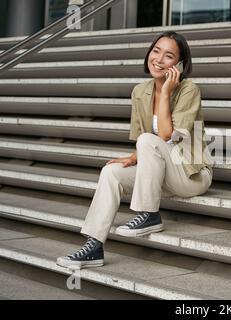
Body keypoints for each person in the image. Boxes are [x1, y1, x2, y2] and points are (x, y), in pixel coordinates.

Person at [56, 31, 214, 269]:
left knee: (149, 140)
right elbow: (146, 142)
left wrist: (165, 94)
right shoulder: (140, 92)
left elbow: (165, 136)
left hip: (191, 175)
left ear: (179, 65)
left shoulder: (189, 90)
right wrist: (133, 157)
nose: (159, 59)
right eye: (156, 51)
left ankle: (149, 214)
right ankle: (94, 246)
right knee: (111, 173)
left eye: (169, 56)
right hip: (163, 172)